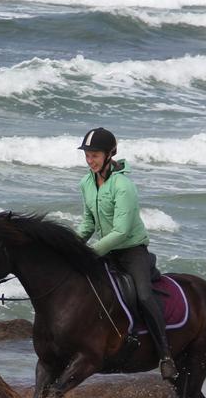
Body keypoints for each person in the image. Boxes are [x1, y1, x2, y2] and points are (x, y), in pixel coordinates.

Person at [76, 127, 178, 380]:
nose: (90, 160)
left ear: (110, 154)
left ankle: (165, 354)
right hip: (106, 252)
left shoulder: (123, 186)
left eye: (95, 155)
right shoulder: (86, 183)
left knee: (143, 295)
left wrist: (90, 252)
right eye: (87, 155)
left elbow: (121, 232)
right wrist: (71, 247)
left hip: (132, 251)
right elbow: (88, 223)